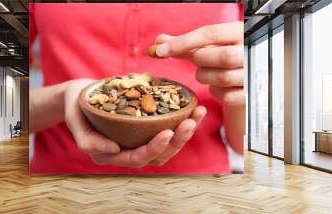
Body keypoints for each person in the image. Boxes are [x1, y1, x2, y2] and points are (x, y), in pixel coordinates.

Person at [29, 3, 245, 174]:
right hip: (61, 188)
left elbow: (244, 145)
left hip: (199, 191)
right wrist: (61, 98)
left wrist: (248, 87)